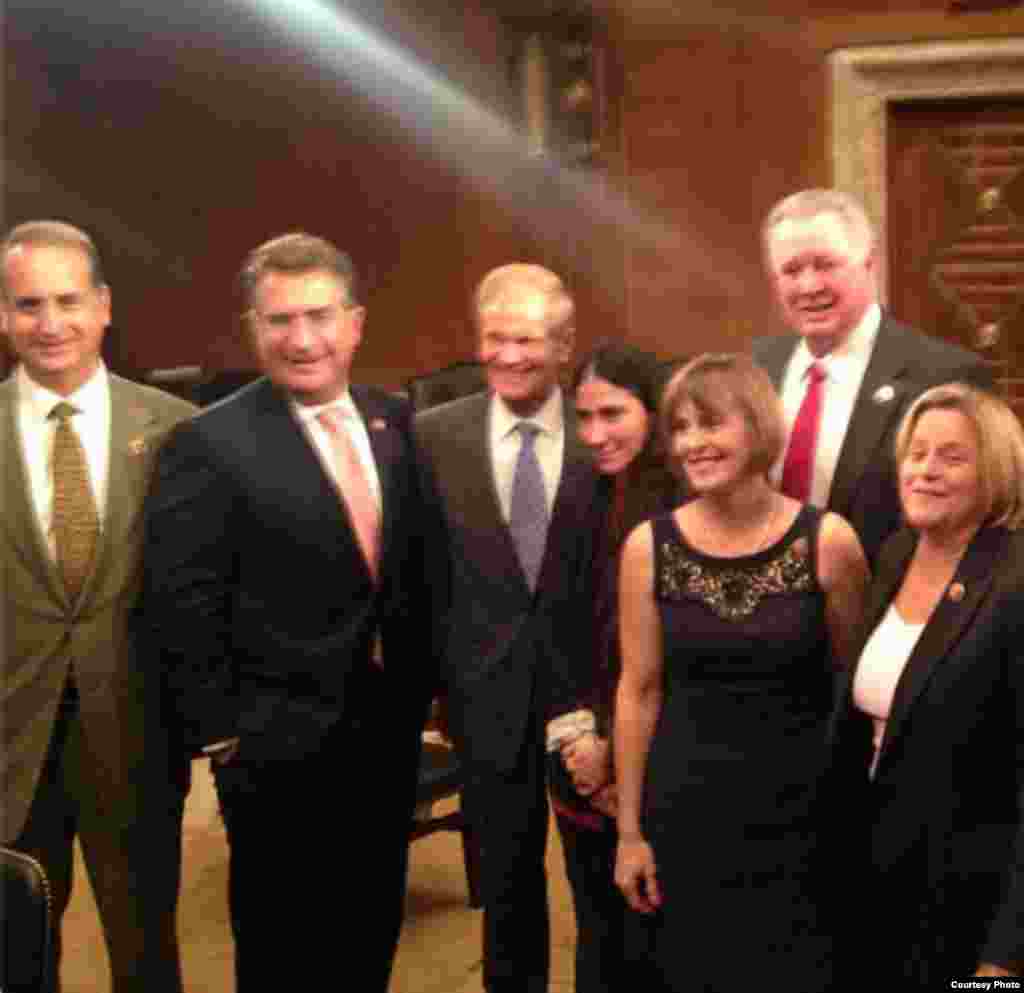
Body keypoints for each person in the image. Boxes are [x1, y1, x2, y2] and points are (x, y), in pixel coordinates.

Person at [136, 233, 439, 992]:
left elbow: (410, 569)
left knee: (370, 924)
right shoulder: (208, 442)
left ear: (356, 322)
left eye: (318, 315)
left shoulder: (394, 420)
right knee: (282, 946)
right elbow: (183, 598)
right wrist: (225, 734)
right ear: (253, 328)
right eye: (279, 320)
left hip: (386, 732)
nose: (301, 339)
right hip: (275, 750)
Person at [614, 353, 868, 992]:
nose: (693, 444)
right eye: (680, 428)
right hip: (688, 818)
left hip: (807, 820)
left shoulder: (828, 543)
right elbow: (637, 692)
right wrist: (629, 832)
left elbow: (856, 692)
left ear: (757, 428)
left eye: (711, 424)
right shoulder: (649, 548)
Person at [0, 220, 195, 991]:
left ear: (104, 305)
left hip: (138, 733)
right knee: (16, 953)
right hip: (11, 742)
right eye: (27, 304)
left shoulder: (178, 432)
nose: (50, 324)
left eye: (68, 301)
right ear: (3, 314)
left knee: (147, 949)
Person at [414, 264, 603, 993]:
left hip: (587, 697)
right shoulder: (432, 434)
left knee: (600, 890)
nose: (511, 356)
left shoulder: (604, 429)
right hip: (481, 699)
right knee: (507, 887)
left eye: (528, 339)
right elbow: (419, 572)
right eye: (496, 338)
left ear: (563, 345)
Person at [829, 382, 1024, 984]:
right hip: (880, 888)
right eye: (917, 453)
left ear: (994, 471)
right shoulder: (895, 555)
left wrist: (1006, 956)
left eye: (952, 456)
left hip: (973, 908)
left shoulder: (1015, 581)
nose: (926, 471)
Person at [753, 188, 994, 567]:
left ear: (869, 264)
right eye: (792, 270)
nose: (809, 286)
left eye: (825, 265)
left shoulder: (945, 376)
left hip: (887, 606)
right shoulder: (757, 367)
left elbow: (977, 523)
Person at [548, 341, 681, 992]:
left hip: (665, 765)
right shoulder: (578, 489)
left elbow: (682, 654)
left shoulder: (688, 500)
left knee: (661, 942)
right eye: (584, 416)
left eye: (613, 413)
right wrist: (579, 739)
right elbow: (556, 623)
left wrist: (616, 749)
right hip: (580, 763)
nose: (594, 434)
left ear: (654, 411)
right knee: (599, 943)